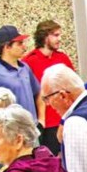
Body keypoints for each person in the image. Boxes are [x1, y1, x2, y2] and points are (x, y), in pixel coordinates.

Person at [0, 25, 44, 125]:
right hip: (13, 133)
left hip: (32, 130)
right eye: (19, 43)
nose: (24, 46)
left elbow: (38, 92)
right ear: (7, 47)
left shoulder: (25, 68)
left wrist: (41, 119)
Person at [22, 20, 75, 153]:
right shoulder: (29, 61)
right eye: (56, 35)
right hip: (46, 123)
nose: (59, 39)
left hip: (66, 118)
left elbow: (74, 86)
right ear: (45, 37)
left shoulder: (63, 58)